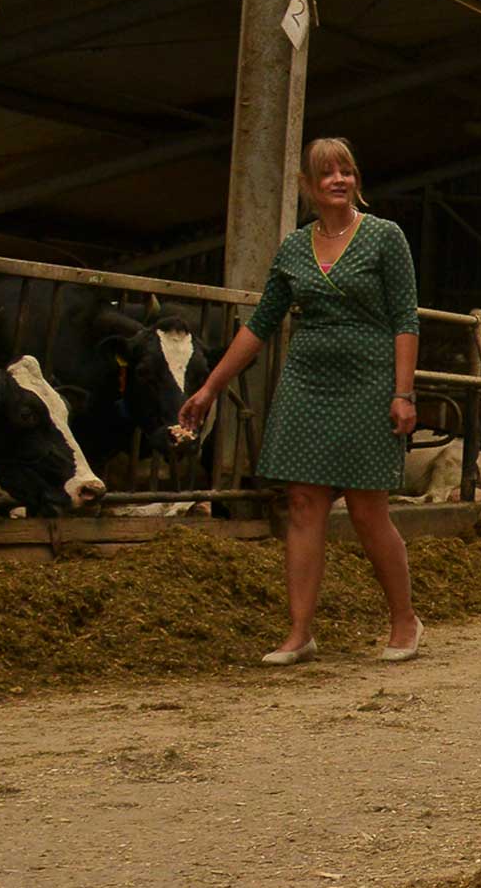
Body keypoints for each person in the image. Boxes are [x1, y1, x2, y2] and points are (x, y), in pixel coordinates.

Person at [179, 137, 423, 666]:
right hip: (307, 384)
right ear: (308, 186)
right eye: (327, 173)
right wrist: (210, 387)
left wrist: (403, 392)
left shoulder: (385, 237)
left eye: (347, 171)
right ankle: (299, 633)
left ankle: (404, 619)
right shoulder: (293, 247)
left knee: (366, 510)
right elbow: (263, 322)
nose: (339, 179)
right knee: (303, 505)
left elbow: (406, 318)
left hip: (370, 381)